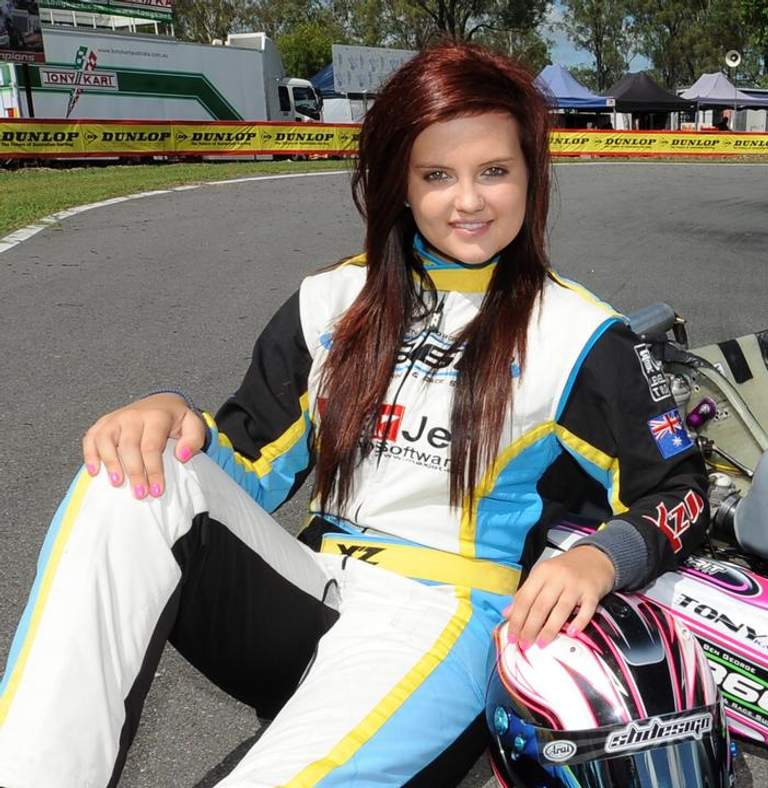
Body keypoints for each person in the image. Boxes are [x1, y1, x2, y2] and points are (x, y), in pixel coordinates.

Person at [0, 42, 708, 787]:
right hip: (308, 595)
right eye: (438, 175)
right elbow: (247, 465)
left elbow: (681, 488)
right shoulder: (331, 301)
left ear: (531, 174)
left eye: (494, 171)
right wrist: (171, 416)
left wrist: (602, 558)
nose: (468, 201)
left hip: (440, 623)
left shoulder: (580, 334)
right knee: (128, 476)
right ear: (400, 183)